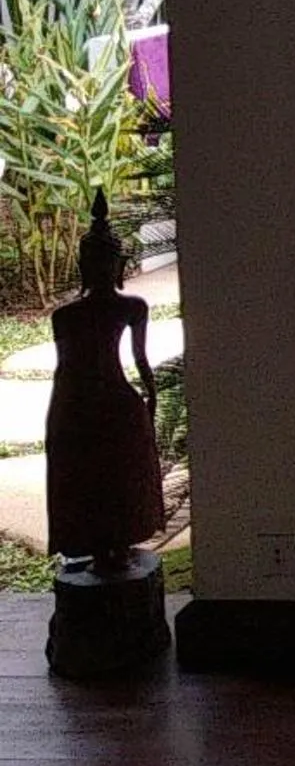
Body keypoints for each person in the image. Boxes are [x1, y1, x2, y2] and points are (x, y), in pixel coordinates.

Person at [43, 194, 165, 565]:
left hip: (82, 403)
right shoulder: (126, 308)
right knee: (108, 479)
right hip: (110, 401)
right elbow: (140, 364)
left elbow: (68, 372)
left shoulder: (74, 315)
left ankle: (110, 545)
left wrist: (149, 399)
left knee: (101, 480)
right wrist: (150, 400)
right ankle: (105, 547)